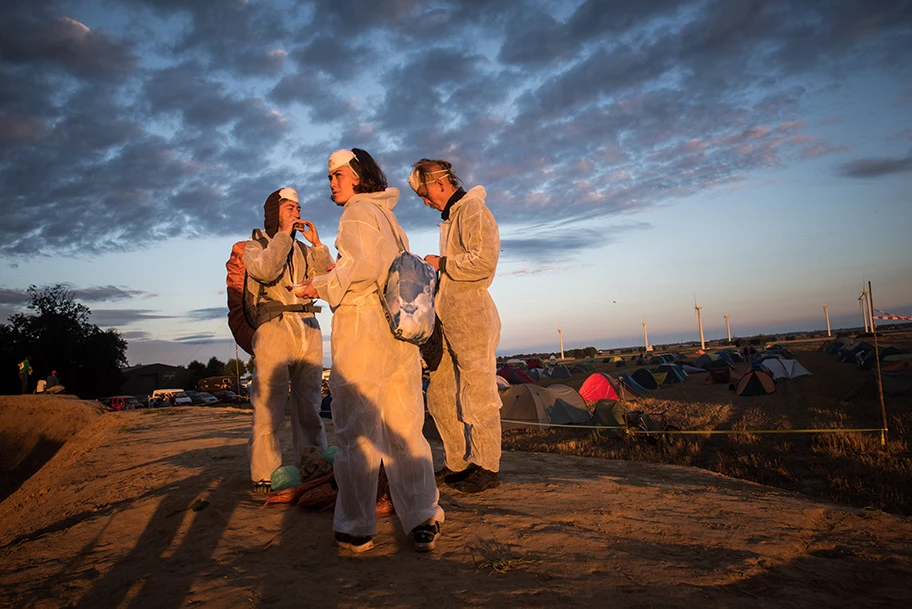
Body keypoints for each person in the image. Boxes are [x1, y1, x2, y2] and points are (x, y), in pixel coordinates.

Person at [295, 148, 444, 553]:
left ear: (358, 176)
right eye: (330, 177)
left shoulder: (357, 212)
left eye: (338, 175)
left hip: (365, 335)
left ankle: (357, 525)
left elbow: (360, 268)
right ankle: (422, 517)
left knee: (356, 433)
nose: (332, 183)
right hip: (399, 338)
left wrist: (317, 287)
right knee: (406, 431)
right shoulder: (389, 218)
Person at [408, 158, 502, 494]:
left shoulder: (473, 210)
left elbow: (484, 261)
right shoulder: (454, 217)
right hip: (447, 319)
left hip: (472, 317)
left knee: (478, 393)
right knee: (441, 393)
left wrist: (442, 263)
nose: (424, 201)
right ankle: (458, 461)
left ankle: (487, 465)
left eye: (424, 193)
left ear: (439, 183)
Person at [244, 187, 333, 493]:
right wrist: (283, 235)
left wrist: (318, 245)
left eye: (298, 206)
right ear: (275, 212)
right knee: (269, 403)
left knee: (310, 403)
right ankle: (265, 472)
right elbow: (265, 272)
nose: (297, 211)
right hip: (274, 327)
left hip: (307, 325)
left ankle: (315, 464)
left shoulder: (304, 250)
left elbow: (328, 278)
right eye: (289, 207)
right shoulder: (254, 245)